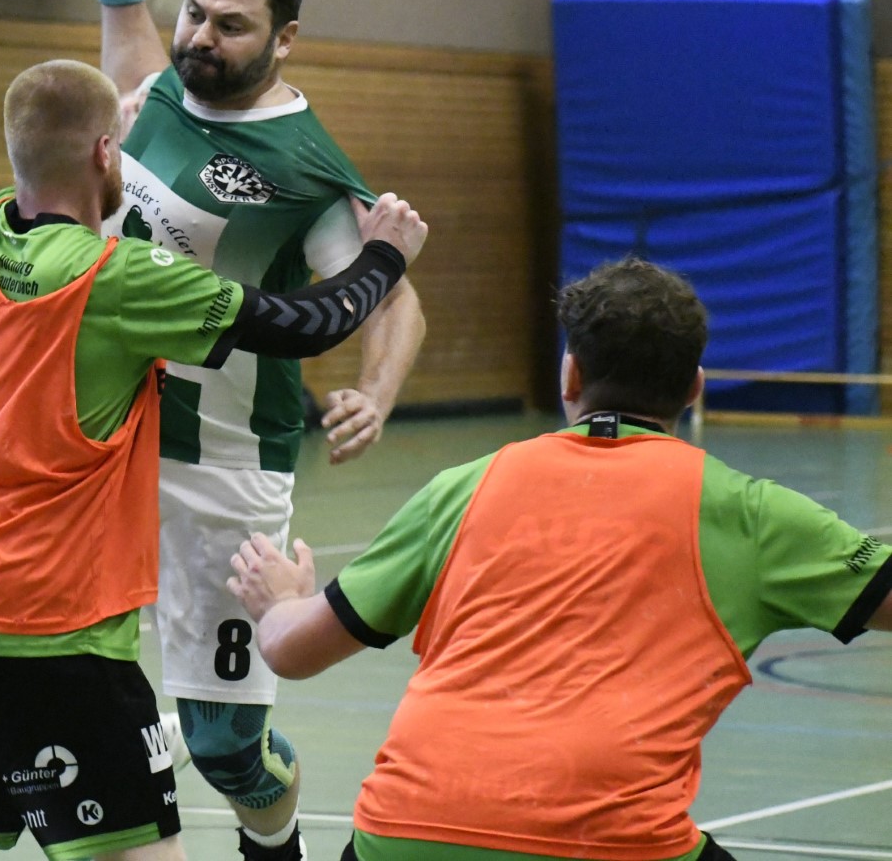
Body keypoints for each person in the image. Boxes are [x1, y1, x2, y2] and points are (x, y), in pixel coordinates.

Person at [0, 60, 428, 861]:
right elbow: (304, 323)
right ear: (107, 153)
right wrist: (384, 257)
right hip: (56, 629)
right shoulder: (116, 281)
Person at [227, 257, 892, 861]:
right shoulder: (753, 515)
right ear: (694, 388)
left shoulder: (465, 487)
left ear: (570, 374)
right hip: (609, 843)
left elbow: (292, 650)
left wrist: (280, 600)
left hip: (404, 832)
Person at [85, 0, 427, 860]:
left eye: (230, 26)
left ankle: (273, 846)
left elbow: (394, 291)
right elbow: (131, 65)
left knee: (227, 747)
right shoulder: (165, 90)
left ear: (284, 39)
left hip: (224, 464)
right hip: (104, 439)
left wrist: (376, 392)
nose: (201, 36)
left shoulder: (305, 169)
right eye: (195, 13)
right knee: (72, 676)